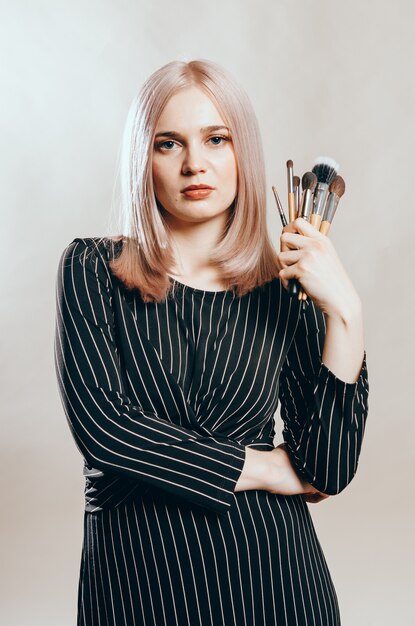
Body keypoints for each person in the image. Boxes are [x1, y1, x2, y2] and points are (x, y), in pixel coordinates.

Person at [54, 59, 369, 626]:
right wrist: (268, 469)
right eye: (168, 144)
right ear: (141, 161)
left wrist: (346, 313)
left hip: (277, 586)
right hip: (137, 589)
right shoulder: (91, 269)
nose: (194, 163)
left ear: (241, 152)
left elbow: (326, 468)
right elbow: (107, 434)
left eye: (216, 139)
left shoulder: (282, 291)